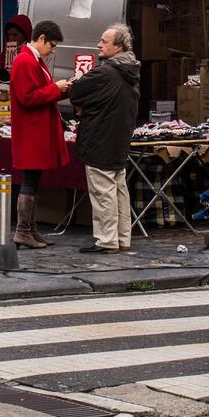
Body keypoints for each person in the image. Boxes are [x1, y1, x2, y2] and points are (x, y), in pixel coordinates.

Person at [67, 23, 139, 254]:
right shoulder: (130, 71)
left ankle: (107, 240)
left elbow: (76, 91)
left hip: (100, 138)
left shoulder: (105, 72)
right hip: (119, 139)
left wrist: (81, 104)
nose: (99, 44)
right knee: (119, 190)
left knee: (103, 192)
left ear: (118, 47)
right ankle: (122, 238)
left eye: (104, 41)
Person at [10, 19, 71, 249]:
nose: (52, 50)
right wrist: (57, 88)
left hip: (36, 130)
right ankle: (23, 230)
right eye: (52, 45)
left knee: (33, 181)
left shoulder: (34, 60)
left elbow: (41, 93)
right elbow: (28, 97)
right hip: (31, 132)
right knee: (30, 180)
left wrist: (64, 89)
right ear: (42, 38)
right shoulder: (26, 61)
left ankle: (30, 229)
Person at [0, 15, 33, 83]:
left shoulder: (31, 50)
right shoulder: (7, 48)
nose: (11, 38)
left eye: (15, 35)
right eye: (9, 35)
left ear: (24, 34)